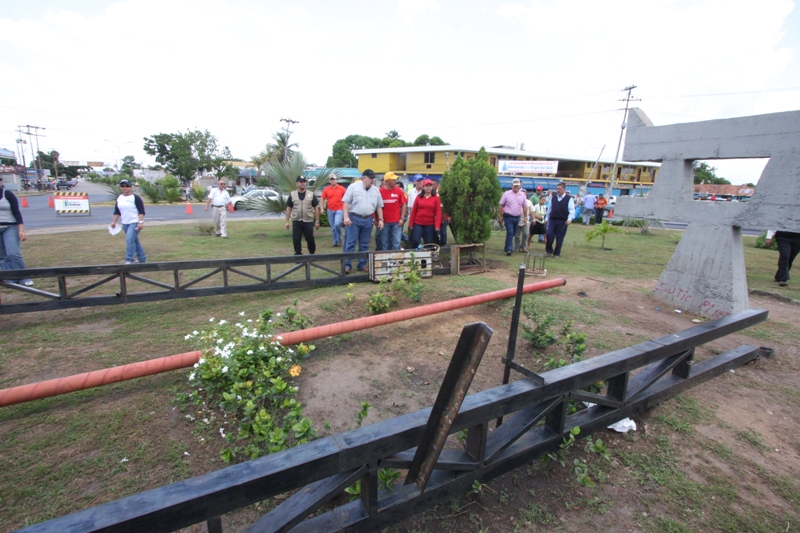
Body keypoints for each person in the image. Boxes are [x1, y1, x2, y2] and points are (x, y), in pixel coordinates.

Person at [343, 169, 384, 273]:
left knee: (365, 243)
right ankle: (347, 265)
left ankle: (362, 265)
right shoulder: (353, 187)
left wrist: (381, 219)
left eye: (373, 178)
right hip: (354, 217)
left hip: (368, 219)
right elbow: (346, 202)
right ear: (364, 178)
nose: (372, 180)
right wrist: (346, 217)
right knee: (351, 242)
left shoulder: (376, 190)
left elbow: (379, 206)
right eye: (370, 178)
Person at [0, 178, 34, 286]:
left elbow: (16, 212)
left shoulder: (7, 194)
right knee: (2, 256)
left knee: (13, 253)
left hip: (10, 227)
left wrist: (21, 229)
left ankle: (24, 277)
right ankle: (10, 278)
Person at [110, 178, 147, 264]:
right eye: (122, 186)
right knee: (134, 240)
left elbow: (141, 211)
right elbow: (117, 211)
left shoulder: (135, 198)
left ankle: (129, 260)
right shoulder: (119, 198)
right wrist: (114, 222)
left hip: (134, 221)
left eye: (127, 186)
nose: (124, 188)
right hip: (125, 222)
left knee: (129, 240)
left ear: (130, 187)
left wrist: (140, 222)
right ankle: (142, 259)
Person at [285, 176, 321, 255]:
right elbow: (289, 208)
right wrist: (287, 221)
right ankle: (298, 255)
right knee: (296, 239)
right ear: (297, 183)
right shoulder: (293, 194)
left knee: (310, 239)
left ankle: (312, 254)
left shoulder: (311, 194)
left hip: (308, 221)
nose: (303, 183)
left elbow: (316, 208)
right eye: (301, 182)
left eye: (304, 182)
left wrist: (317, 221)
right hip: (296, 221)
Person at [408, 179, 441, 249]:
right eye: (426, 186)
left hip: (430, 224)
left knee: (428, 242)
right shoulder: (419, 197)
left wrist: (437, 225)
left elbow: (438, 212)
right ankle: (415, 253)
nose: (428, 188)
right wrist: (411, 223)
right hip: (418, 223)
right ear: (423, 187)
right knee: (415, 240)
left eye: (430, 186)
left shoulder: (436, 198)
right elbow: (414, 211)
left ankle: (426, 255)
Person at [545, 182, 575, 258]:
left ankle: (556, 253)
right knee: (549, 235)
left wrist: (569, 219)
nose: (558, 190)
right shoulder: (553, 198)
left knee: (559, 238)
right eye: (557, 189)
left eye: (560, 189)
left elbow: (571, 210)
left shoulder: (569, 199)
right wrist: (546, 218)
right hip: (553, 220)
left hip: (562, 221)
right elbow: (549, 209)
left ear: (564, 189)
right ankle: (549, 251)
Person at [378, 172, 407, 251]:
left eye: (395, 180)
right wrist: (378, 219)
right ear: (387, 181)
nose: (395, 181)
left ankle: (395, 257)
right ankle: (386, 257)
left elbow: (404, 204)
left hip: (396, 222)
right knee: (385, 243)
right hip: (384, 222)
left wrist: (402, 218)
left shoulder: (399, 191)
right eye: (393, 180)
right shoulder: (380, 192)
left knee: (396, 242)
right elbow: (377, 206)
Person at [498, 178, 527, 256]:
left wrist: (525, 217)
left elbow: (524, 206)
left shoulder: (522, 195)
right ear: (511, 186)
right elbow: (501, 205)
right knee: (510, 232)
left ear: (520, 186)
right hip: (508, 217)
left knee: (512, 233)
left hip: (517, 217)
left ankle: (506, 246)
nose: (516, 187)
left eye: (517, 185)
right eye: (514, 186)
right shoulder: (506, 194)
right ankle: (509, 249)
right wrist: (500, 216)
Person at [321, 174, 346, 247]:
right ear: (329, 180)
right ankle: (336, 241)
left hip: (339, 209)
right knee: (333, 227)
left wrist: (346, 209)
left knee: (337, 224)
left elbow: (347, 198)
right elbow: (322, 198)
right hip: (330, 210)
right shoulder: (326, 189)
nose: (332, 181)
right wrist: (322, 208)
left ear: (336, 180)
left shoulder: (342, 189)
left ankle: (339, 239)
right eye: (331, 179)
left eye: (333, 179)